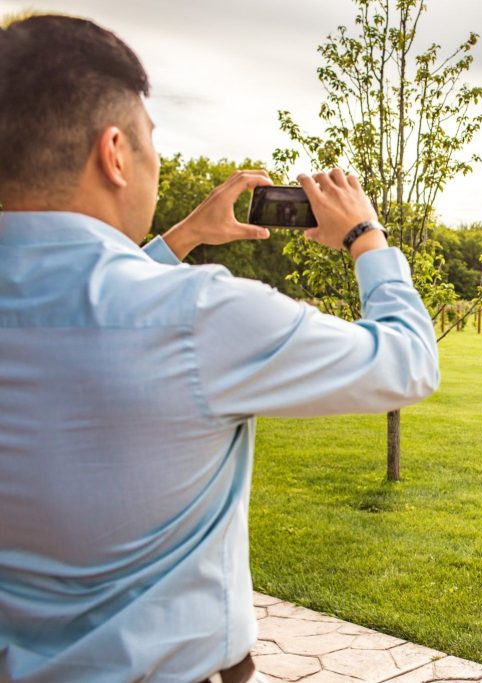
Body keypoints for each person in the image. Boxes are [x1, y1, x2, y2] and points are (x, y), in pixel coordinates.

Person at [0, 15, 439, 683]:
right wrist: (366, 238)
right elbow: (406, 362)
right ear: (114, 153)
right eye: (151, 146)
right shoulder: (202, 316)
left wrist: (176, 239)